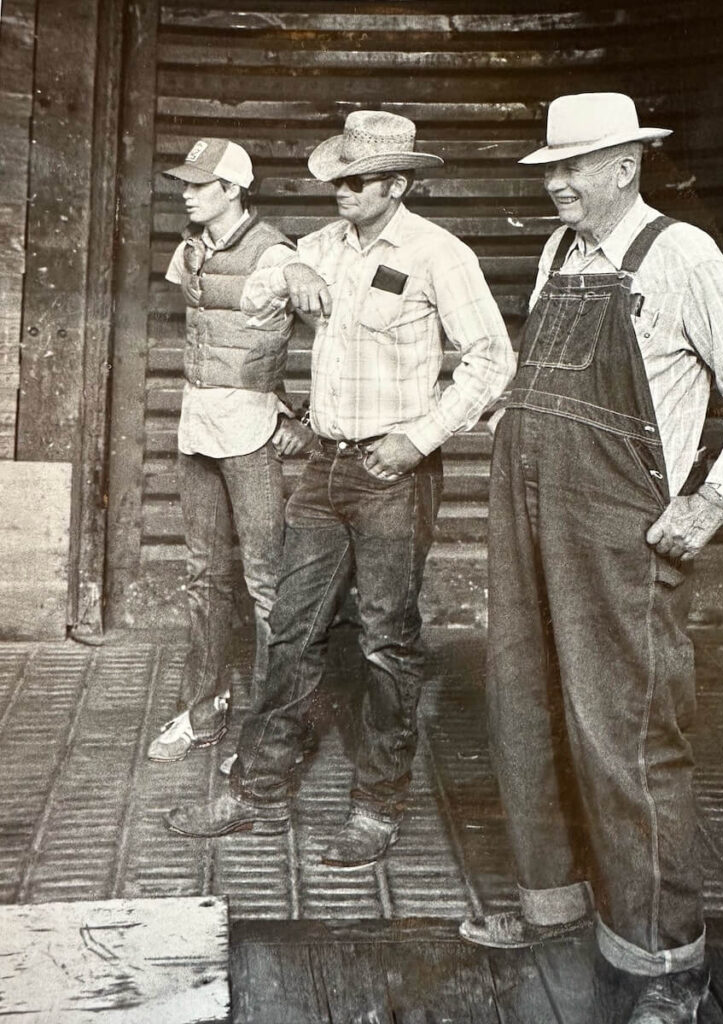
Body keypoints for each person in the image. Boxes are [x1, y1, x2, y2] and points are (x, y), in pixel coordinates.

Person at [458, 93, 723, 1022]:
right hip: (528, 513)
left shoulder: (680, 256)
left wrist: (711, 498)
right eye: (549, 168)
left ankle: (663, 967)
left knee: (627, 735)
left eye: (575, 165)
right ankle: (554, 905)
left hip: (617, 529)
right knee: (523, 701)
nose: (556, 182)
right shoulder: (562, 253)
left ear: (627, 164)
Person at [163, 110, 516, 868]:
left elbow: (490, 359)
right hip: (322, 468)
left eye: (356, 181)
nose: (340, 192)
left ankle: (376, 807)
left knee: (387, 641)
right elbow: (245, 308)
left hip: (394, 473)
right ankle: (258, 793)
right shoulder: (317, 248)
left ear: (396, 183)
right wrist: (287, 282)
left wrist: (417, 437)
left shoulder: (436, 254)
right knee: (293, 628)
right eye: (336, 179)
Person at [147, 138, 312, 764]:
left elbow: (335, 336)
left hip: (248, 432)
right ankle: (203, 710)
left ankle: (271, 731)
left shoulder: (276, 256)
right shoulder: (189, 250)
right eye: (185, 183)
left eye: (198, 184)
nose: (186, 193)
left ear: (232, 189)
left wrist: (305, 417)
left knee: (266, 582)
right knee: (205, 578)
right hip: (197, 430)